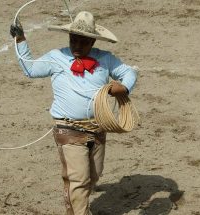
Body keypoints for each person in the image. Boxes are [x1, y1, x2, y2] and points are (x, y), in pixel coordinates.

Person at [10, 11, 137, 215]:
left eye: (83, 42)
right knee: (78, 178)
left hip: (98, 127)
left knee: (94, 175)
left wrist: (124, 88)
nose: (77, 46)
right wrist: (20, 39)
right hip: (68, 128)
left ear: (93, 41)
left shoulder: (106, 59)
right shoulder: (57, 57)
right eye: (73, 40)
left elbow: (128, 72)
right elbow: (30, 69)